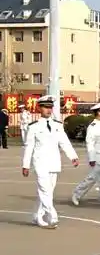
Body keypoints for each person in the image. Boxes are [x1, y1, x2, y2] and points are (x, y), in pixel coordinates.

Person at [21, 95, 79, 228]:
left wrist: (73, 156)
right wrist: (26, 165)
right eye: (45, 107)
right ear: (39, 108)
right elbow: (29, 147)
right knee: (45, 190)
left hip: (53, 162)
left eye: (50, 107)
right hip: (40, 162)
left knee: (47, 191)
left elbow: (64, 142)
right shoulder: (33, 127)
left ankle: (36, 215)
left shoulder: (57, 125)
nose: (48, 110)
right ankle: (52, 217)